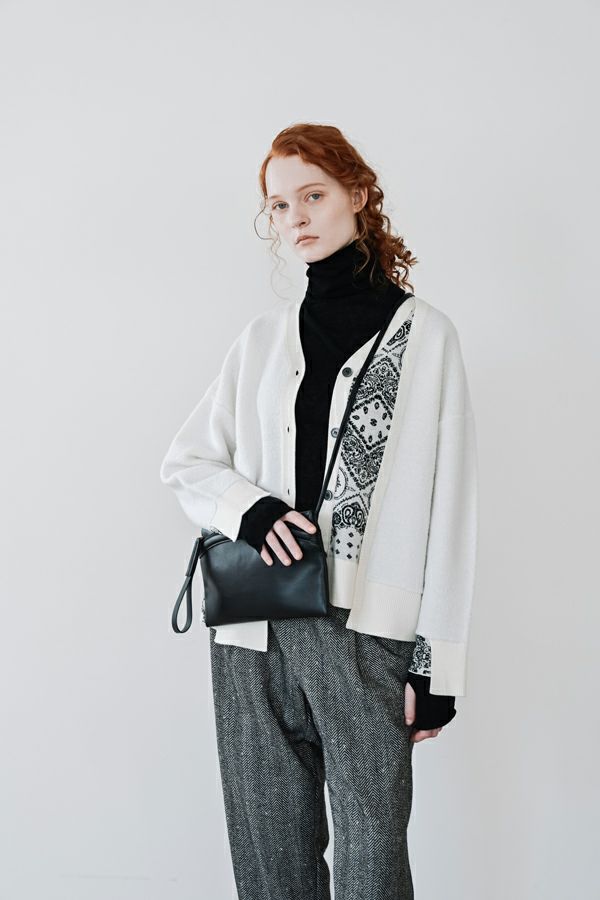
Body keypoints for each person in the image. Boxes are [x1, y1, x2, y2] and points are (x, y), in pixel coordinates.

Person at [159, 123, 478, 900]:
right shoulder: (261, 343)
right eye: (279, 204)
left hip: (366, 637)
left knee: (374, 862)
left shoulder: (428, 340)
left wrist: (437, 667)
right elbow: (187, 462)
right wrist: (253, 510)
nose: (295, 216)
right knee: (269, 862)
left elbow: (451, 513)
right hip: (252, 633)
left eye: (313, 195)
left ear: (358, 195)